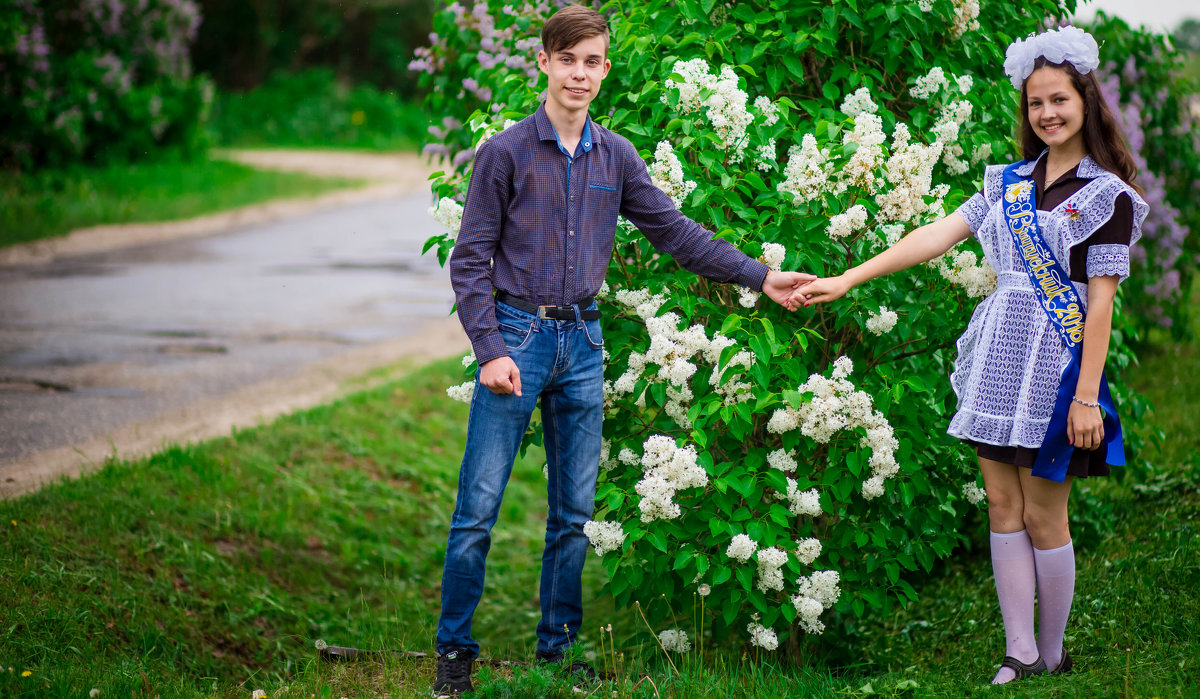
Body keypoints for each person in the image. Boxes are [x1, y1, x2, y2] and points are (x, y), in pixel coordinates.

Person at [434, 5, 815, 695]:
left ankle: (558, 652)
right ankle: (453, 658)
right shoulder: (504, 153)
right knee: (477, 511)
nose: (579, 74)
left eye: (592, 62)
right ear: (544, 62)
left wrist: (761, 275)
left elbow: (676, 233)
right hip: (516, 339)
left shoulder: (616, 156)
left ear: (605, 69)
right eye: (567, 59)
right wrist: (489, 348)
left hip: (583, 341)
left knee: (573, 517)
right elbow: (469, 261)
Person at [795, 26, 1147, 684]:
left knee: (1045, 511)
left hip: (1060, 368)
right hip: (1000, 359)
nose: (1047, 114)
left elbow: (1100, 306)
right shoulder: (1009, 182)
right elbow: (937, 235)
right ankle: (1017, 652)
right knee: (1000, 503)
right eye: (1035, 103)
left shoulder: (1109, 197)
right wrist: (849, 277)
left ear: (1086, 102)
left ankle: (1053, 650)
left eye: (1059, 100)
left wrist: (1086, 396)